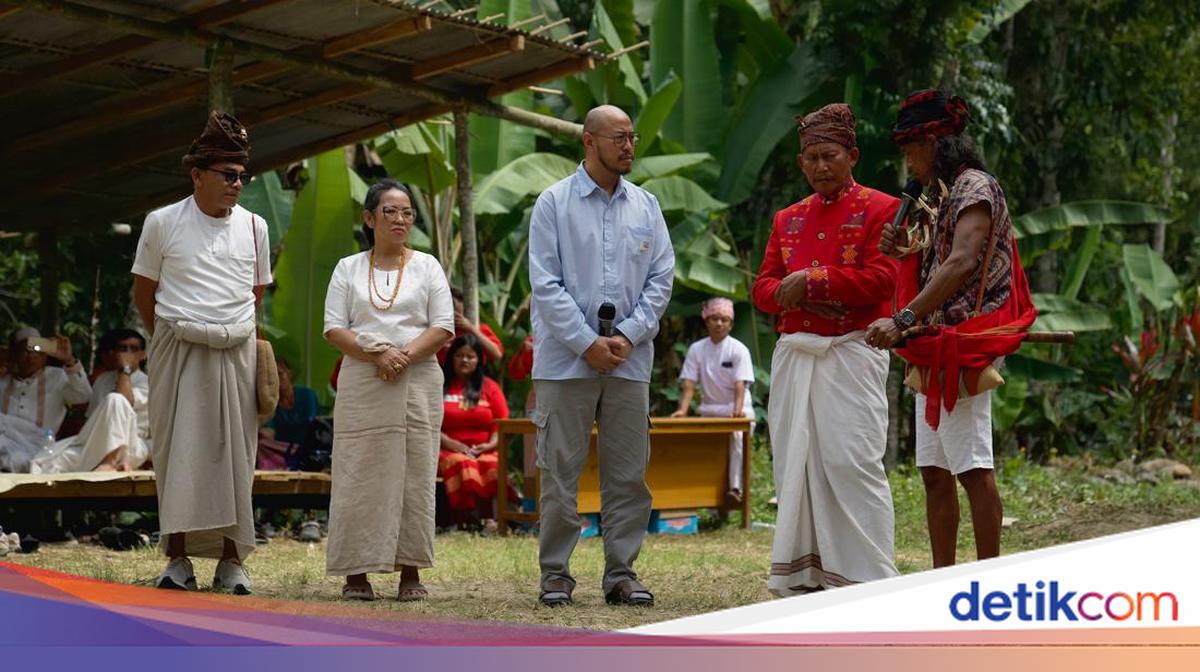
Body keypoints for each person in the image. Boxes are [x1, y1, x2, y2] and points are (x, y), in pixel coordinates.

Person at [866, 89, 1036, 567]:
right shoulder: (939, 197)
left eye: (910, 149)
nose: (907, 161)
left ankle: (988, 580)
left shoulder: (974, 187)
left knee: (972, 470)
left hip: (966, 341)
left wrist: (903, 319)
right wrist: (903, 245)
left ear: (936, 142)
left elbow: (961, 261)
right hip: (934, 343)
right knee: (934, 471)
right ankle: (942, 579)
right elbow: (931, 257)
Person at [752, 103, 901, 595]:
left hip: (851, 353)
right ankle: (807, 573)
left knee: (851, 462)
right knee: (797, 462)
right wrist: (792, 291)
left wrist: (813, 281)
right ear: (800, 163)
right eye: (811, 157)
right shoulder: (786, 218)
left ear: (852, 155)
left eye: (830, 155)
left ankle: (870, 576)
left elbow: (884, 278)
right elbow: (763, 290)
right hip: (797, 354)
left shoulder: (882, 208)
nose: (820, 165)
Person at [528, 105, 674, 607]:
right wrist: (587, 343)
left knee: (628, 473)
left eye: (632, 136)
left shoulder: (648, 206)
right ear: (589, 142)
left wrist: (627, 337)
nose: (629, 146)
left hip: (629, 362)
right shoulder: (553, 204)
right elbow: (545, 285)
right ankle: (555, 573)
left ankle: (621, 572)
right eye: (618, 138)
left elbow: (661, 281)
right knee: (559, 472)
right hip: (565, 361)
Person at [131, 110, 271, 594]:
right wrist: (172, 338)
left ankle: (233, 564)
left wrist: (229, 334)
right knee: (177, 455)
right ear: (197, 174)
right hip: (176, 348)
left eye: (241, 176)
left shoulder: (255, 226)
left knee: (235, 456)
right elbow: (144, 292)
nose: (237, 184)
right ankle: (177, 560)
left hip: (236, 348)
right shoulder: (161, 221)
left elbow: (257, 295)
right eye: (227, 175)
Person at [323, 178, 454, 602]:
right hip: (363, 379)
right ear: (369, 218)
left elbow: (443, 326)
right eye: (390, 212)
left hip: (417, 379)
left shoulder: (428, 266)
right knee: (357, 473)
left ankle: (410, 573)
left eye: (407, 212)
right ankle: (355, 573)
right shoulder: (346, 267)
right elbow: (333, 328)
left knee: (415, 474)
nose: (400, 220)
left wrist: (402, 356)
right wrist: (377, 355)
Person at [30, 329, 151, 473]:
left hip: (131, 445)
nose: (127, 353)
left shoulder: (149, 383)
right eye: (123, 348)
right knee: (47, 462)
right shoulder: (103, 380)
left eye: (133, 349)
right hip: (97, 442)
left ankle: (111, 461)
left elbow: (125, 400)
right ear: (115, 352)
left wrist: (125, 369)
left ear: (142, 355)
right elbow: (92, 420)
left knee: (115, 399)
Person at [670, 297, 755, 503]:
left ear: (731, 324)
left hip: (738, 409)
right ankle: (699, 492)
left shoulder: (738, 349)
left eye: (724, 319)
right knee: (700, 445)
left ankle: (735, 489)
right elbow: (689, 383)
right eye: (715, 318)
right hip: (709, 409)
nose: (719, 323)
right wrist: (683, 410)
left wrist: (736, 411)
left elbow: (740, 384)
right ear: (706, 320)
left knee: (736, 439)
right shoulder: (697, 349)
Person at [437, 332, 512, 529]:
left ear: (478, 360)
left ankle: (490, 519)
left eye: (470, 356)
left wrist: (491, 444)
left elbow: (501, 423)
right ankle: (464, 518)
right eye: (459, 355)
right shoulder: (438, 386)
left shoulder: (490, 387)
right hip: (447, 450)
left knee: (490, 464)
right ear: (451, 357)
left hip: (484, 449)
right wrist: (449, 443)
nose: (464, 360)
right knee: (462, 462)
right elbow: (428, 423)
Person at [0, 327, 92, 472]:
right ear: (13, 354)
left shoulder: (57, 377)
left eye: (36, 348)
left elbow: (84, 396)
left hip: (40, 449)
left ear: (45, 355)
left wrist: (69, 360)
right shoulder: (3, 381)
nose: (31, 355)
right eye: (24, 349)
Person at [257, 358, 319, 467]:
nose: (277, 380)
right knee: (261, 444)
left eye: (280, 374)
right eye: (272, 377)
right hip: (283, 448)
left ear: (289, 373)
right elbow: (268, 431)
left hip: (305, 447)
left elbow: (310, 425)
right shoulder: (273, 402)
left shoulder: (306, 395)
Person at [436, 287, 503, 367]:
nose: (455, 315)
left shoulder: (478, 328)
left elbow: (497, 354)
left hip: (474, 376)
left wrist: (471, 329)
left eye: (459, 313)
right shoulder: (435, 330)